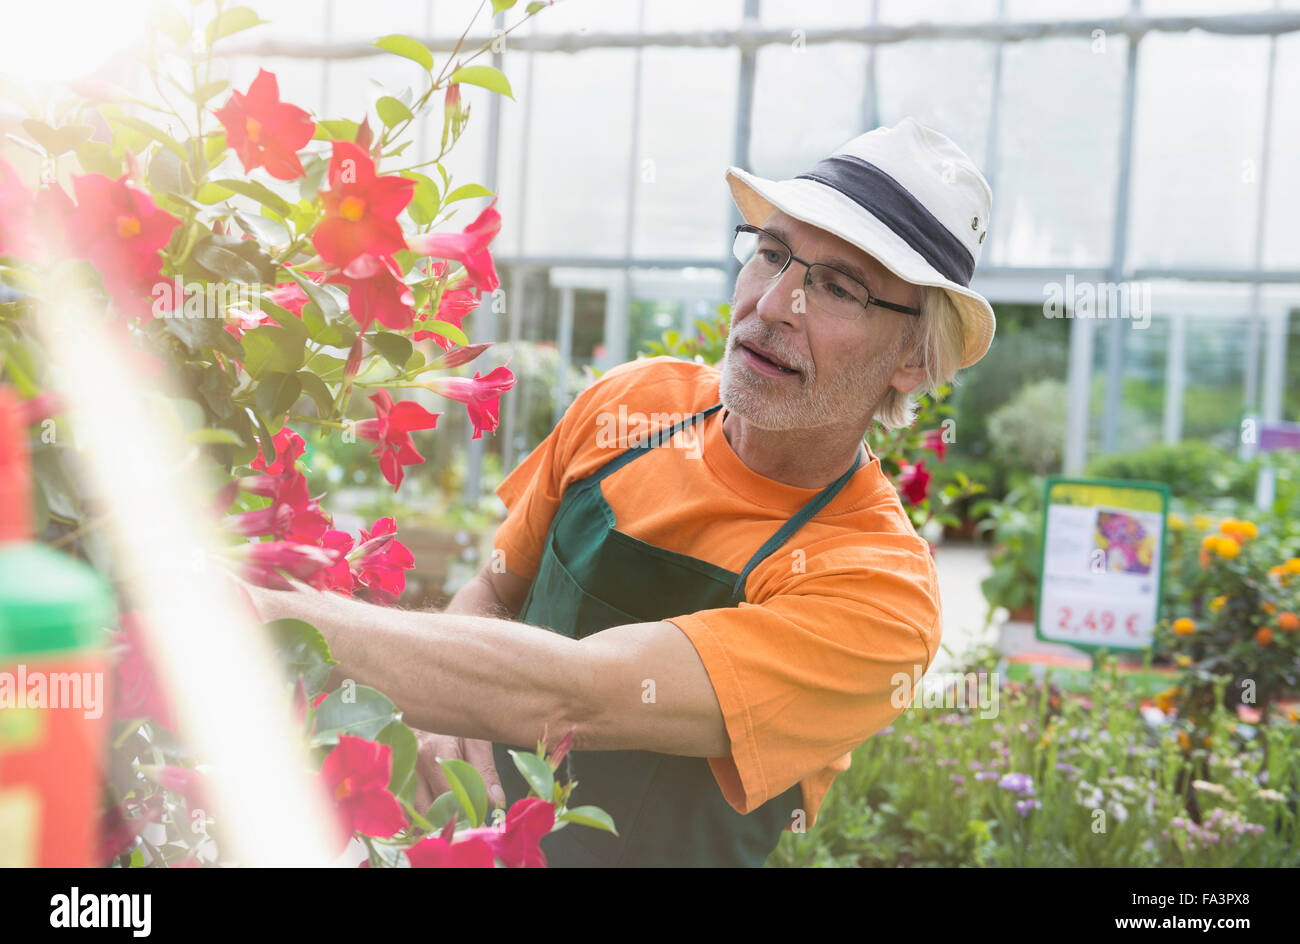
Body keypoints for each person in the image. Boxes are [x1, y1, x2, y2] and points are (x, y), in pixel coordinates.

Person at [245, 117, 997, 867]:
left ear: (911, 359)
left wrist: (260, 612)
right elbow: (496, 588)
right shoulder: (630, 404)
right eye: (772, 254)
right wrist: (442, 724)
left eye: (838, 288)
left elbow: (577, 695)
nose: (772, 306)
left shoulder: (876, 589)